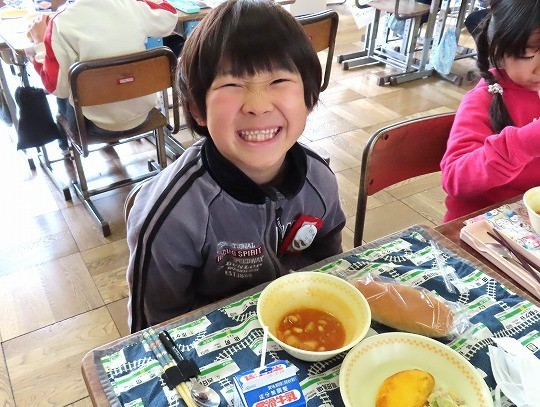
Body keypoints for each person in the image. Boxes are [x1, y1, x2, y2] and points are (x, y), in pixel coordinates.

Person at [126, 0, 346, 332]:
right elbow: (155, 334)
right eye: (231, 85)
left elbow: (329, 269)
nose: (257, 105)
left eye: (278, 80)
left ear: (309, 97)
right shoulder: (173, 217)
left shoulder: (319, 180)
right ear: (197, 110)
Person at [26, 0, 178, 151]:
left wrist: (40, 42)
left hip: (91, 125)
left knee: (64, 79)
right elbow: (170, 15)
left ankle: (63, 146)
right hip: (144, 114)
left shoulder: (60, 22)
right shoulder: (134, 7)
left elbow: (57, 89)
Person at [440, 0, 540, 222]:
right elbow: (455, 178)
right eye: (528, 53)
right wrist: (525, 142)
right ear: (499, 49)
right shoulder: (484, 99)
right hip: (479, 228)